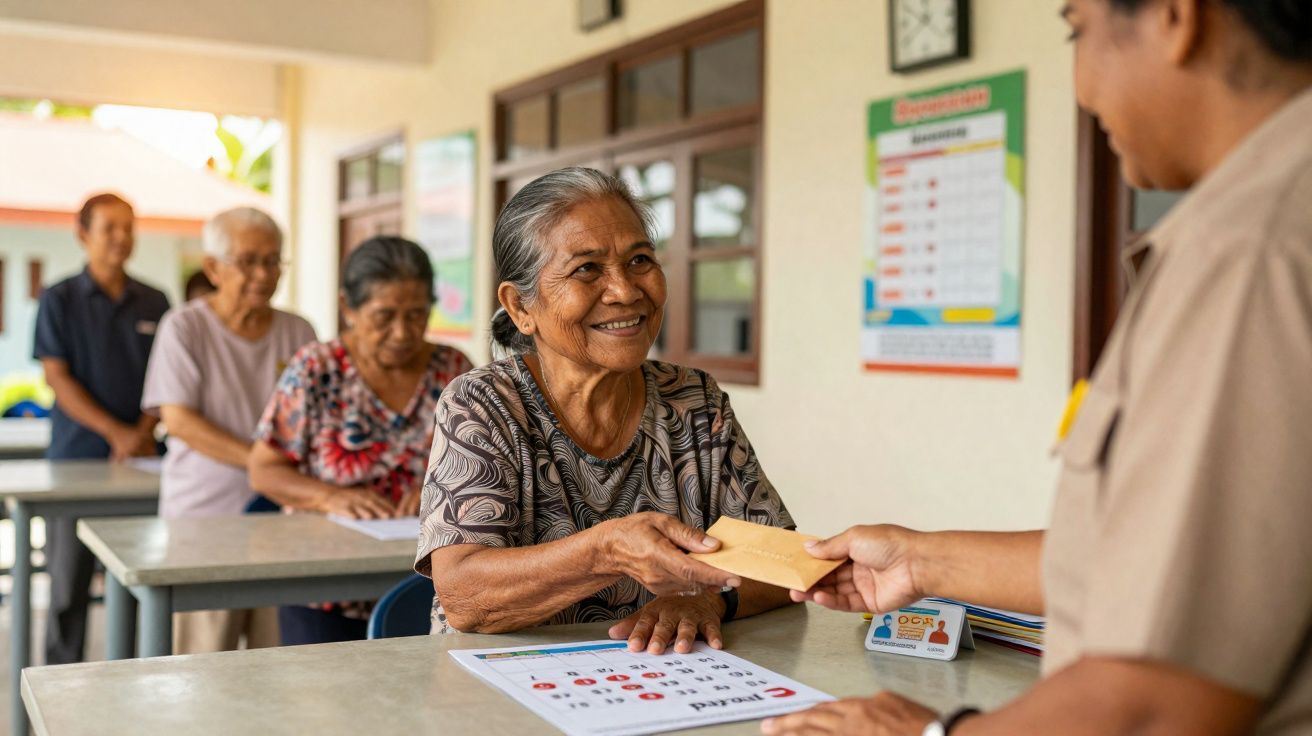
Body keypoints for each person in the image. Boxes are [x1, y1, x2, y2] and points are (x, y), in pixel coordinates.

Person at [764, 1, 1312, 734]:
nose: (1082, 88)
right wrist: (922, 563)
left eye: (1076, 31)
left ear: (1177, 18)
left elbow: (1160, 700)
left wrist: (932, 733)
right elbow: (1164, 561)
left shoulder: (1249, 249)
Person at [414, 167, 794, 655]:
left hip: (662, 678)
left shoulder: (694, 400)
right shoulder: (485, 404)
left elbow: (784, 562)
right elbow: (465, 596)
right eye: (587, 269)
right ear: (520, 307)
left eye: (639, 260)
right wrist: (607, 549)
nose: (626, 291)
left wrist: (708, 603)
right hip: (505, 686)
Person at [249, 236, 474, 645]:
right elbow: (263, 469)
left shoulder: (453, 369)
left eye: (417, 314)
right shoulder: (317, 369)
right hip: (324, 587)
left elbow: (480, 464)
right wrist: (328, 497)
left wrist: (434, 495)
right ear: (348, 308)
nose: (403, 332)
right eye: (384, 316)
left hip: (428, 585)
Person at [141, 207, 316, 654]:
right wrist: (266, 465)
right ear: (214, 268)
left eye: (273, 261)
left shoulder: (298, 331)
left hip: (282, 524)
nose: (263, 274)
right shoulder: (184, 327)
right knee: (200, 664)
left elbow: (315, 421)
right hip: (204, 521)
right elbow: (179, 420)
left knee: (276, 665)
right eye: (248, 261)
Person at [33, 192, 169, 665]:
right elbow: (56, 377)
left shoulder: (155, 299)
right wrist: (118, 433)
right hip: (76, 464)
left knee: (137, 581)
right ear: (83, 235)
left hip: (142, 465)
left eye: (128, 227)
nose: (121, 237)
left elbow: (166, 378)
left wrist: (142, 430)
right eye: (109, 227)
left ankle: (129, 682)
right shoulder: (59, 299)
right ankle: (54, 689)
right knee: (68, 589)